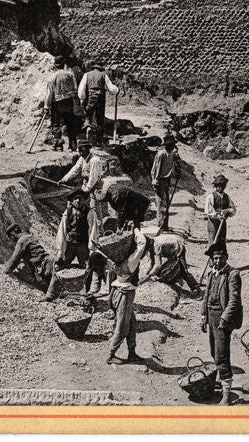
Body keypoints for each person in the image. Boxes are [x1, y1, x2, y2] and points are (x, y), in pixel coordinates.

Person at [59, 138, 108, 294]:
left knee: (93, 215)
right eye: (79, 150)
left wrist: (84, 193)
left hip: (94, 190)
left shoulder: (95, 160)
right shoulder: (82, 158)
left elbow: (93, 178)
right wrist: (65, 179)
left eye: (84, 149)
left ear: (89, 148)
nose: (81, 152)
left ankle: (97, 239)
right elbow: (75, 169)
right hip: (85, 189)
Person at [201, 241, 243, 406]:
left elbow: (234, 301)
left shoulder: (233, 275)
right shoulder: (212, 274)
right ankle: (220, 379)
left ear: (226, 257)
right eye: (214, 258)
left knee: (221, 355)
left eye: (220, 258)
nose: (217, 261)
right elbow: (205, 295)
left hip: (222, 319)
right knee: (213, 351)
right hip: (211, 316)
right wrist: (203, 315)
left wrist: (224, 319)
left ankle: (226, 395)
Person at [105, 227, 149, 365]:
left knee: (132, 323)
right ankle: (111, 354)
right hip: (124, 295)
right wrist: (136, 229)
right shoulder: (131, 261)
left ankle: (132, 352)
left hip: (120, 293)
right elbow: (142, 244)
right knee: (123, 326)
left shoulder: (119, 260)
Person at [44, 189, 93, 301]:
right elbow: (62, 231)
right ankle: (50, 294)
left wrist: (92, 247)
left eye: (80, 198)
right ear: (72, 200)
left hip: (83, 246)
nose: (78, 200)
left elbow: (93, 231)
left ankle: (86, 297)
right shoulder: (68, 212)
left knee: (86, 270)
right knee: (59, 266)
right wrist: (60, 250)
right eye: (75, 198)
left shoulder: (90, 212)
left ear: (84, 199)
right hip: (70, 246)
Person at [0, 223, 54, 288]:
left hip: (46, 267)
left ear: (12, 234)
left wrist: (6, 270)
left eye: (10, 237)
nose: (12, 240)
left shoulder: (21, 242)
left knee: (57, 292)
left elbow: (15, 259)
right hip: (50, 262)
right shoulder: (30, 236)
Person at [44, 55, 80, 151]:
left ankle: (59, 145)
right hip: (68, 102)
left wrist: (46, 106)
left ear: (55, 65)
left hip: (57, 103)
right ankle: (73, 146)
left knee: (56, 124)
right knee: (70, 124)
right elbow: (75, 90)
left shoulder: (52, 77)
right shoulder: (70, 75)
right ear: (64, 64)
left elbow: (49, 94)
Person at [77, 60, 120, 141]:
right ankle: (99, 139)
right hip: (100, 99)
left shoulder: (86, 75)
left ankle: (88, 128)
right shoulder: (104, 75)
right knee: (100, 119)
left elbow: (81, 89)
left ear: (93, 67)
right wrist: (117, 90)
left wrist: (82, 99)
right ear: (101, 68)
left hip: (90, 98)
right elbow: (112, 89)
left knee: (88, 116)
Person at [151, 134, 181, 233]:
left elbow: (173, 167)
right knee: (161, 204)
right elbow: (156, 169)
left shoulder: (171, 154)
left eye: (173, 144)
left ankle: (165, 225)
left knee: (166, 203)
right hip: (160, 181)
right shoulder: (161, 154)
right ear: (167, 145)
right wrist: (155, 182)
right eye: (172, 144)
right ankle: (160, 226)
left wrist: (177, 173)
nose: (173, 146)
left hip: (166, 180)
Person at [202, 174, 237, 246]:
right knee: (212, 241)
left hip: (223, 222)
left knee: (222, 242)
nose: (220, 187)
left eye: (222, 186)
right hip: (213, 223)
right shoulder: (211, 196)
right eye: (218, 186)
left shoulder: (227, 197)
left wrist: (228, 211)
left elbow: (233, 209)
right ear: (216, 186)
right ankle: (212, 256)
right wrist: (217, 216)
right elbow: (208, 211)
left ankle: (221, 257)